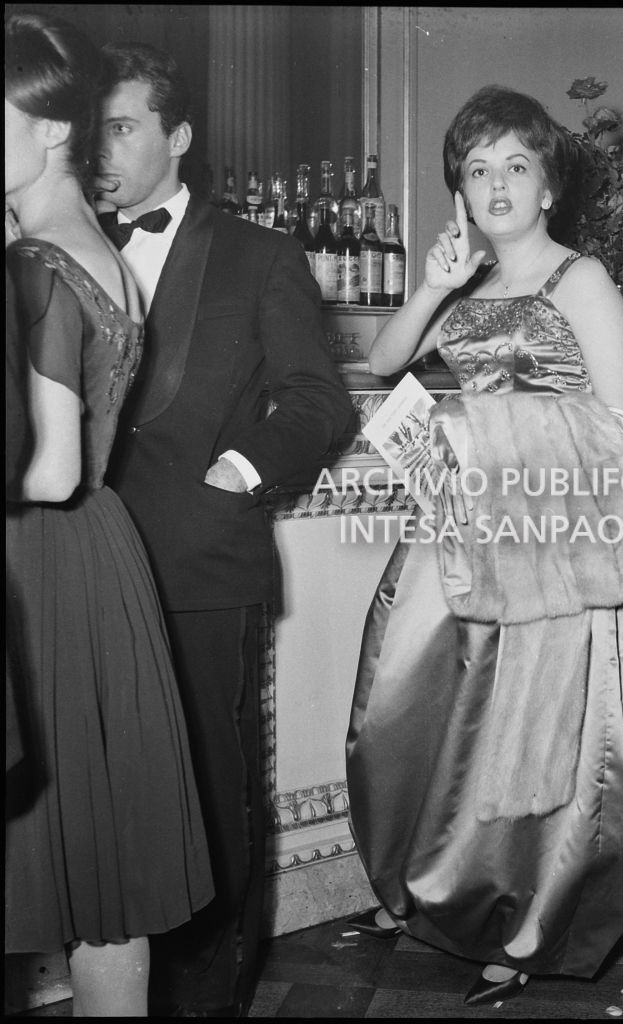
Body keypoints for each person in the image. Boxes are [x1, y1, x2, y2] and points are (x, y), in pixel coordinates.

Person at [344, 84, 623, 1007]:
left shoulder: (583, 280)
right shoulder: (469, 288)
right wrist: (435, 285)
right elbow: (381, 362)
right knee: (407, 714)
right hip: (457, 533)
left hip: (549, 542)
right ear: (461, 192)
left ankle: (522, 928)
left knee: (530, 746)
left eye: (515, 165)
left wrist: (490, 427)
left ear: (548, 184)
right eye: (477, 170)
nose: (496, 184)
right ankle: (419, 891)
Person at [93, 43, 355, 1017]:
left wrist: (239, 468)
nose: (99, 150)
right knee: (104, 796)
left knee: (210, 793)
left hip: (201, 568)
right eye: (89, 130)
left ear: (179, 137)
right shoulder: (52, 249)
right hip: (80, 570)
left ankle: (210, 998)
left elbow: (317, 402)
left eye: (119, 127)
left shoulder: (260, 255)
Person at [4, 11, 214, 1016]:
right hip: (101, 556)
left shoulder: (32, 265)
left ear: (51, 129)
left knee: (53, 852)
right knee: (106, 878)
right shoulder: (97, 251)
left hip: (36, 566)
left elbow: (40, 471)